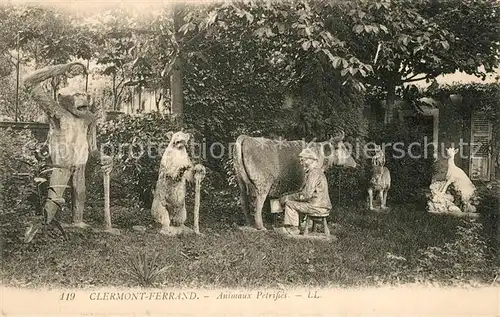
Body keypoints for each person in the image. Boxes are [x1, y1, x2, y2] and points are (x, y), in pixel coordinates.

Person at [278, 147, 332, 235]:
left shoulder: (313, 173)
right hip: (321, 205)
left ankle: (293, 229)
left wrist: (288, 197)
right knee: (293, 201)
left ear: (311, 160)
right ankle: (296, 225)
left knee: (289, 204)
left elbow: (306, 195)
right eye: (301, 161)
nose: (301, 163)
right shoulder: (316, 171)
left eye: (303, 160)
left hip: (316, 206)